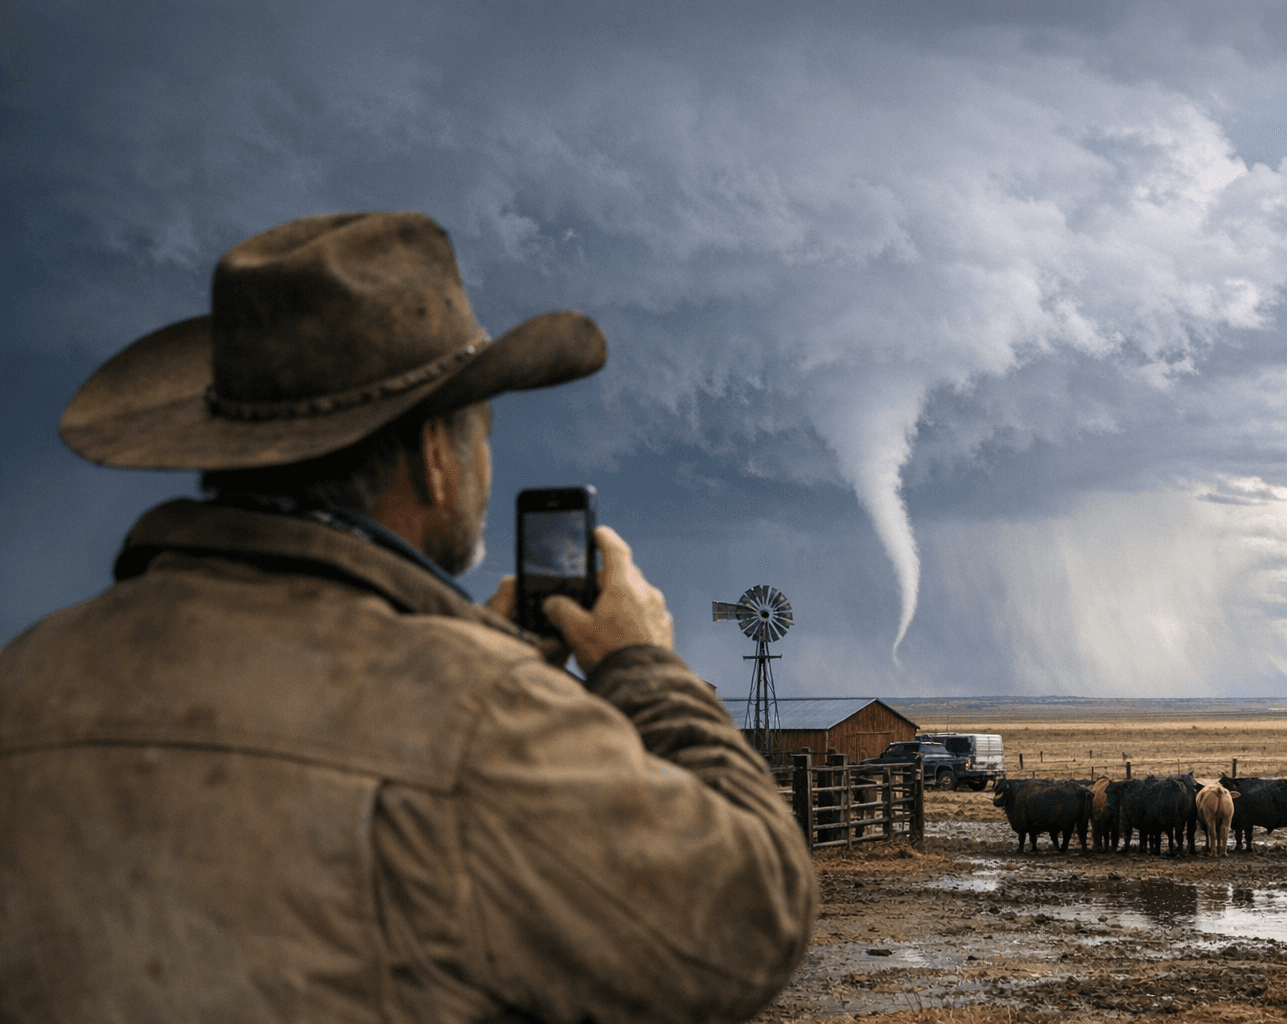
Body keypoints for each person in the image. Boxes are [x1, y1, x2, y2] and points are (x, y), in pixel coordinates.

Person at [0, 212, 817, 1024]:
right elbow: (752, 918)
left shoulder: (26, 673)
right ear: (436, 453)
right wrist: (644, 670)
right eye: (482, 432)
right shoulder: (474, 715)